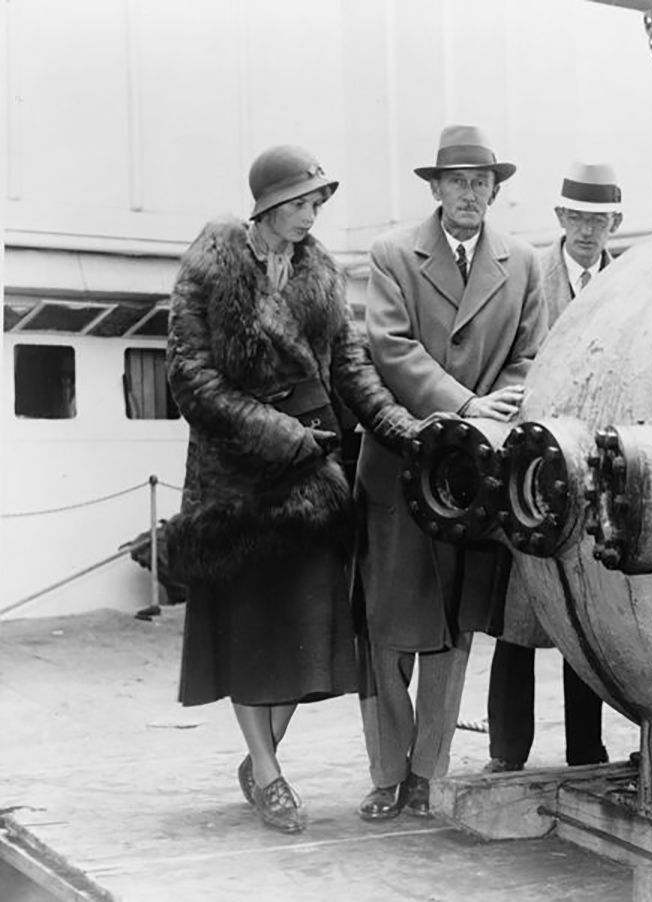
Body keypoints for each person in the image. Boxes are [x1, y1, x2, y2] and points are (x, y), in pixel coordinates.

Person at [166, 145, 418, 835]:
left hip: (312, 477)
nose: (313, 214)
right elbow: (190, 377)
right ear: (269, 206)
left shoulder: (321, 274)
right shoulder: (211, 265)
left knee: (307, 634)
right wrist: (278, 432)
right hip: (239, 480)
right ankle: (271, 776)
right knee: (250, 630)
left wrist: (401, 427)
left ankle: (260, 760)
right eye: (303, 202)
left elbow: (349, 367)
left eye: (317, 202)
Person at [355, 125, 546, 819]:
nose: (472, 194)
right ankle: (386, 770)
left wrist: (495, 414)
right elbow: (391, 348)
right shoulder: (392, 254)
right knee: (385, 629)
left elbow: (531, 355)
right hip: (403, 468)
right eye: (458, 181)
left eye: (483, 181)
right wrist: (465, 404)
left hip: (473, 480)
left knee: (454, 628)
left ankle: (426, 771)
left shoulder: (523, 261)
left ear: (496, 187)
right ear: (435, 188)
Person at [484, 162, 624, 773]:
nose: (589, 230)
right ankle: (506, 753)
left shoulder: (631, 283)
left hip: (596, 473)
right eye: (578, 217)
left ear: (613, 221)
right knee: (519, 621)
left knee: (585, 620)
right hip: (533, 470)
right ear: (560, 218)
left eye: (600, 218)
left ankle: (585, 753)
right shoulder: (525, 276)